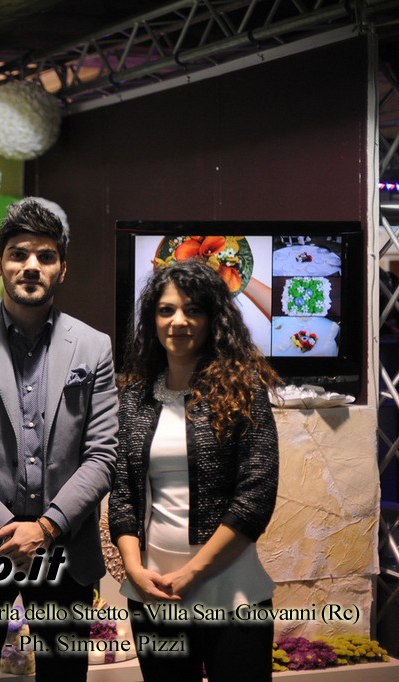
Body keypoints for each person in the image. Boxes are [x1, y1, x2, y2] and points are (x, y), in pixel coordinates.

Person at [0, 198, 118, 681]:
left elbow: (102, 456)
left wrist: (46, 529)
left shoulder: (94, 347)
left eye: (45, 256)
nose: (31, 265)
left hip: (64, 549)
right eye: (18, 254)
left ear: (62, 269)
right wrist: (6, 534)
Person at [108, 258, 280, 682]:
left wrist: (192, 572)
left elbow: (255, 498)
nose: (178, 321)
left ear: (212, 319)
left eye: (193, 310)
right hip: (153, 592)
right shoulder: (134, 396)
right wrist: (133, 569)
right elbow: (123, 495)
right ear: (153, 319)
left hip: (233, 591)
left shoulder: (244, 388)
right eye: (166, 310)